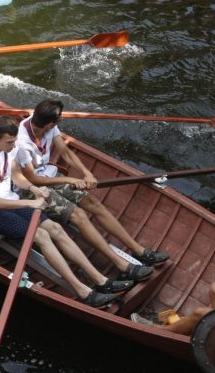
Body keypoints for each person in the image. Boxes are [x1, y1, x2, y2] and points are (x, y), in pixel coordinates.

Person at [0, 116, 130, 307]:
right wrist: (30, 203)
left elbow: (16, 177)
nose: (13, 146)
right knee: (41, 235)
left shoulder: (6, 149)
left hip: (10, 202)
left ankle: (101, 280)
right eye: (10, 142)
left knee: (55, 228)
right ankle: (83, 291)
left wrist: (34, 189)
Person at [16, 99, 170, 281]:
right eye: (57, 122)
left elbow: (65, 152)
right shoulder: (22, 143)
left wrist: (86, 173)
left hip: (51, 177)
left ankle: (140, 251)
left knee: (92, 203)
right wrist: (69, 179)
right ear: (50, 124)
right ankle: (122, 265)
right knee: (78, 214)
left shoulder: (47, 126)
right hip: (32, 188)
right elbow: (33, 178)